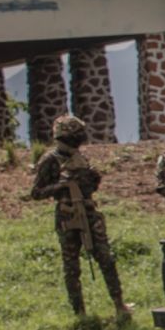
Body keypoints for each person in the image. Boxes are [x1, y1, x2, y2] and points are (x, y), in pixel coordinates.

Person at [30, 114, 128, 318]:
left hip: (89, 211)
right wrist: (63, 185)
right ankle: (80, 313)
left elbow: (92, 183)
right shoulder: (50, 160)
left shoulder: (81, 158)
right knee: (72, 266)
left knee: (106, 258)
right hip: (67, 215)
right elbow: (36, 192)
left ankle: (119, 305)